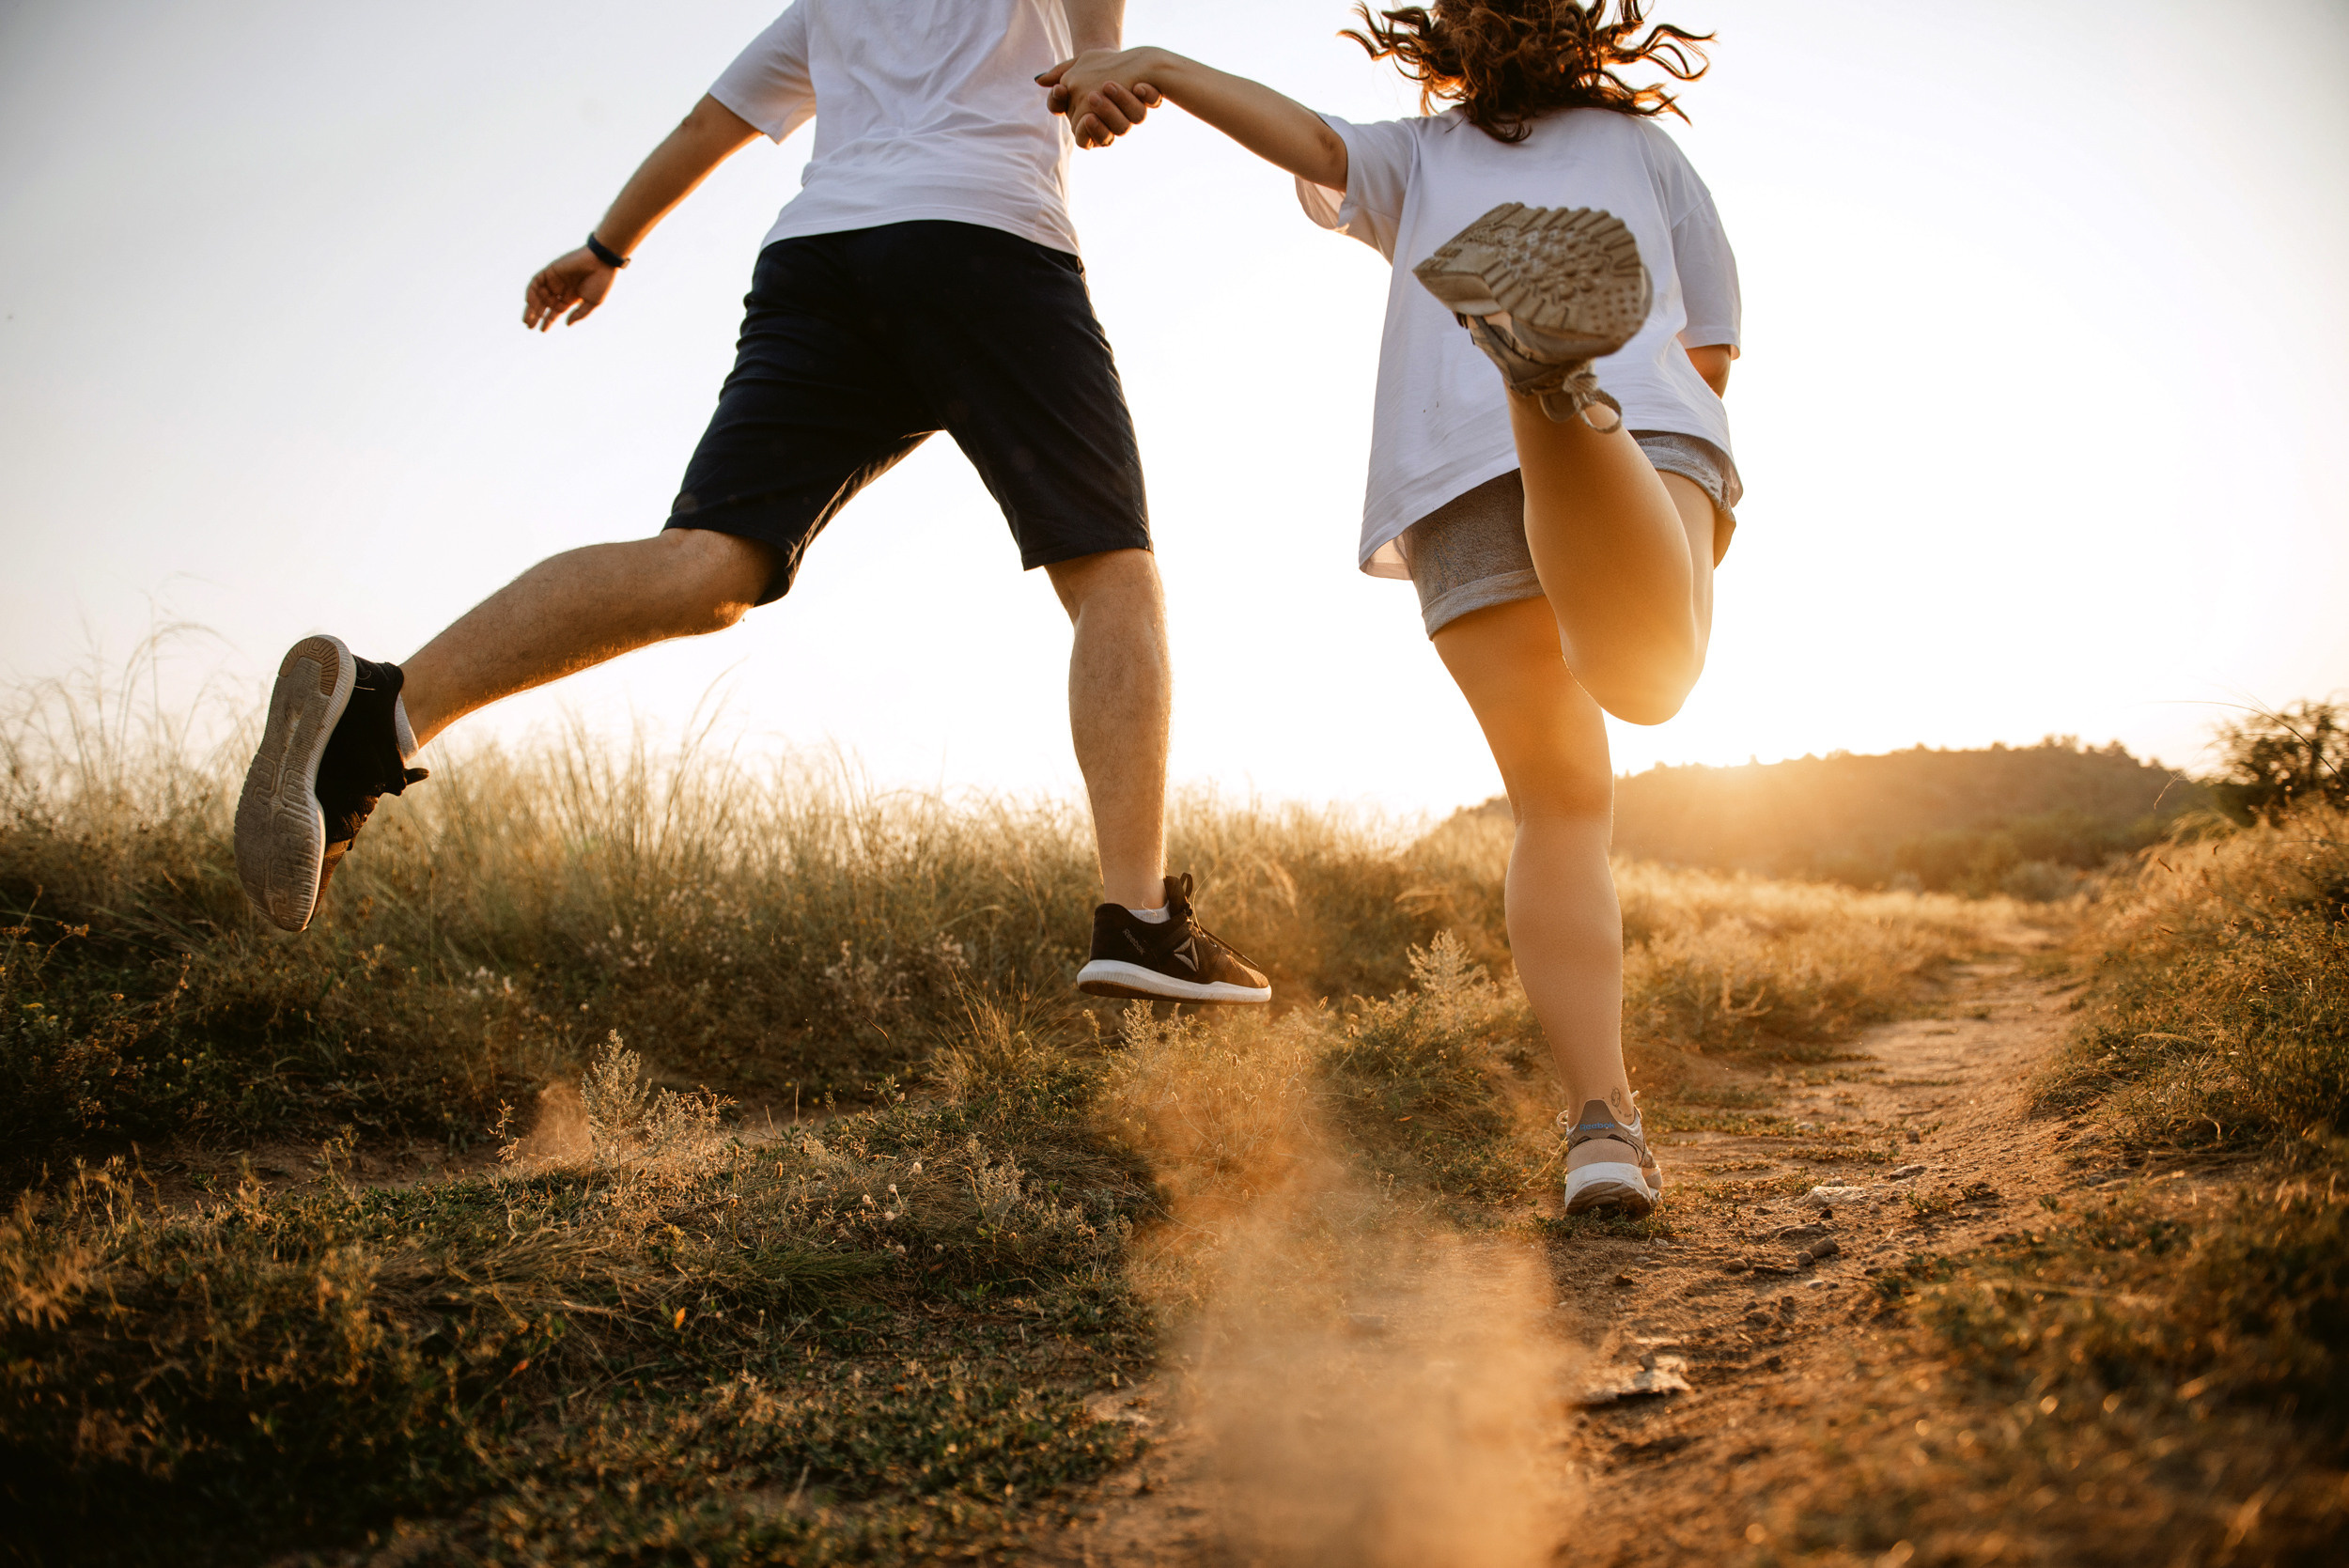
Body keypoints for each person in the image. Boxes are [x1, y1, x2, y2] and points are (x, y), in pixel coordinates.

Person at [232, 0, 1271, 1006]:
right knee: (1111, 569)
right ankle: (1138, 921)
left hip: (820, 262)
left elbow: (705, 124)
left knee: (707, 564)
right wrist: (1097, 62)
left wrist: (605, 248)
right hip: (985, 239)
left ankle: (385, 712)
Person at [1044, 0, 1741, 1212]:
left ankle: (1599, 1126)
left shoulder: (1416, 159)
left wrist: (1157, 63)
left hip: (1453, 474)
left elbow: (1303, 136)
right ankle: (1564, 395)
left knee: (1559, 807)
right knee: (1651, 678)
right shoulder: (1646, 151)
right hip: (1645, 441)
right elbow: (1711, 351)